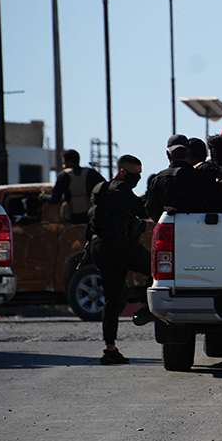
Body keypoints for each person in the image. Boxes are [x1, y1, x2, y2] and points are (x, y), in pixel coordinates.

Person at [86, 155, 151, 365]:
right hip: (120, 248)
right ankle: (148, 306)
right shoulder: (121, 192)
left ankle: (110, 347)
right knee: (160, 270)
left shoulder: (101, 188)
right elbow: (144, 210)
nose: (137, 178)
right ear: (123, 172)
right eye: (135, 174)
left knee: (113, 299)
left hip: (101, 248)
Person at [45, 150, 106, 224]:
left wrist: (43, 197)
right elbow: (105, 188)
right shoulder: (91, 173)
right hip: (91, 217)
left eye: (64, 162)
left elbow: (55, 199)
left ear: (68, 162)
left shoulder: (63, 176)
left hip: (72, 218)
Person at [144, 140, 195, 221]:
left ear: (168, 154)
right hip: (197, 228)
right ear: (189, 153)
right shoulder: (200, 177)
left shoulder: (158, 179)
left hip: (167, 229)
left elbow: (151, 208)